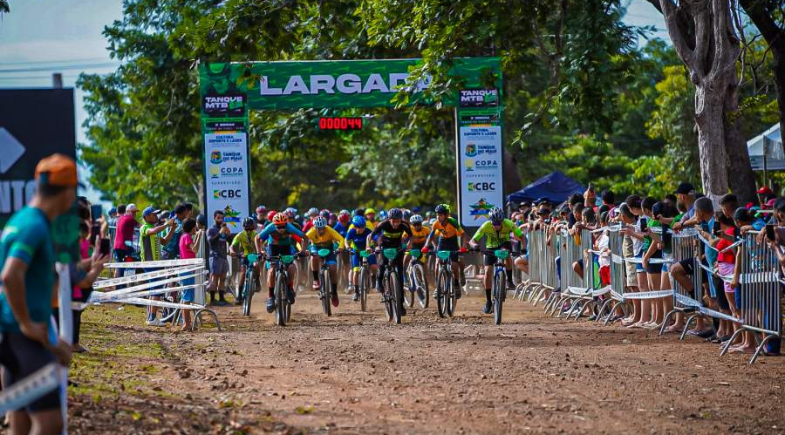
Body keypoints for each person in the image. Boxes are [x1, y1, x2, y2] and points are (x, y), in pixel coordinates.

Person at [0, 154, 77, 435]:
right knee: (50, 424)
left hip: (12, 339)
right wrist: (26, 323)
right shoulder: (35, 226)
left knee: (19, 422)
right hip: (25, 341)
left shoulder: (20, 219)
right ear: (68, 192)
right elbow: (10, 274)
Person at [469, 207, 525, 315]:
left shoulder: (508, 223)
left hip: (504, 244)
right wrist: (475, 245)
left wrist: (523, 248)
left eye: (499, 223)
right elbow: (473, 240)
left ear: (502, 220)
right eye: (494, 224)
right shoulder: (486, 225)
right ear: (491, 221)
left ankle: (509, 280)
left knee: (507, 254)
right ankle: (489, 301)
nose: (497, 226)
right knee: (487, 272)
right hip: (490, 247)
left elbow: (522, 236)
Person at [257, 213, 308, 313]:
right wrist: (259, 252)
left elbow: (305, 238)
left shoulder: (290, 227)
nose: (281, 229)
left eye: (283, 226)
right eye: (278, 227)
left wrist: (303, 251)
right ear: (274, 225)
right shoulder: (270, 227)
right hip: (273, 247)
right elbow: (257, 238)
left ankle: (290, 288)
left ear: (286, 224)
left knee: (291, 267)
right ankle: (271, 296)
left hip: (286, 247)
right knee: (271, 270)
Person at [367, 208, 413, 313]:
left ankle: (400, 304)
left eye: (398, 221)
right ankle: (379, 281)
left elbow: (411, 236)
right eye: (393, 221)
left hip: (398, 247)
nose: (396, 223)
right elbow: (370, 236)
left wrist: (409, 245)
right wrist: (368, 246)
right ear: (389, 219)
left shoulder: (404, 225)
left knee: (400, 276)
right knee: (382, 264)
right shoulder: (383, 224)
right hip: (385, 244)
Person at [139, 206, 176, 326]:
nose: (156, 217)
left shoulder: (153, 229)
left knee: (154, 289)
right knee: (156, 290)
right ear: (146, 217)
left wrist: (172, 229)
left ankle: (151, 317)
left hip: (156, 263)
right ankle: (152, 318)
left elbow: (165, 241)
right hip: (150, 263)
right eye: (154, 215)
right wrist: (166, 225)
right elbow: (153, 231)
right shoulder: (145, 228)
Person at [423, 204, 467, 299]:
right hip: (442, 242)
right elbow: (431, 236)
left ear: (446, 215)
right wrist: (426, 246)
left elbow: (463, 234)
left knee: (454, 266)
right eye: (437, 215)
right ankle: (437, 287)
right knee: (437, 264)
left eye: (441, 215)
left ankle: (456, 284)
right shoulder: (436, 223)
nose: (438, 217)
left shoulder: (453, 221)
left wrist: (464, 246)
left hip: (452, 242)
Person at [306, 216, 345, 307]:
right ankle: (316, 280)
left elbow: (341, 239)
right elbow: (302, 240)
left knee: (333, 268)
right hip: (316, 248)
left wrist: (340, 247)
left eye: (322, 228)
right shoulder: (311, 232)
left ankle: (334, 293)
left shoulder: (330, 230)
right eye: (318, 229)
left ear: (325, 226)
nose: (321, 231)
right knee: (314, 257)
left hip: (329, 249)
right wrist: (304, 250)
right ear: (314, 227)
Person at [345, 216, 378, 302]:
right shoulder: (351, 231)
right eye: (359, 227)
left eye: (363, 226)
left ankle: (373, 277)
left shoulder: (368, 231)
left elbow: (375, 239)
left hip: (368, 251)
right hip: (356, 252)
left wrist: (376, 246)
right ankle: (356, 292)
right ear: (355, 227)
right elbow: (346, 241)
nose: (361, 229)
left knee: (374, 266)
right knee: (355, 271)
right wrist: (348, 247)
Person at [178, 218, 203, 331]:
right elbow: (195, 249)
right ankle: (186, 323)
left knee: (186, 296)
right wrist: (199, 237)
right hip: (187, 270)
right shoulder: (187, 237)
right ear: (193, 227)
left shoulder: (183, 236)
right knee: (187, 297)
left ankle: (187, 322)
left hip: (185, 269)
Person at [229, 217, 260, 305]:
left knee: (256, 265)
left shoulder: (256, 234)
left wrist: (262, 251)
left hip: (253, 255)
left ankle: (257, 281)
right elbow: (232, 245)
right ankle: (239, 296)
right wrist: (232, 251)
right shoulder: (240, 235)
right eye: (247, 229)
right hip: (244, 255)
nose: (249, 231)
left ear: (253, 228)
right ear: (244, 228)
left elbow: (262, 244)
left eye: (250, 229)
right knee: (242, 273)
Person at [402, 214, 431, 303]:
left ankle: (423, 280)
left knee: (423, 265)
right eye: (415, 224)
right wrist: (403, 246)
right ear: (412, 224)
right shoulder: (409, 230)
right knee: (406, 258)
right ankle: (404, 276)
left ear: (421, 223)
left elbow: (431, 239)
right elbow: (402, 239)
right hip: (412, 247)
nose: (417, 226)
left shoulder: (426, 230)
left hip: (422, 248)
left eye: (418, 224)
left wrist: (430, 247)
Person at [206, 210, 232, 306]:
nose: (220, 220)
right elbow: (210, 242)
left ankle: (221, 298)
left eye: (222, 218)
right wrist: (219, 233)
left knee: (223, 278)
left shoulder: (224, 229)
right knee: (215, 278)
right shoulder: (211, 229)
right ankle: (213, 299)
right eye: (218, 218)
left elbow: (230, 241)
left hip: (223, 256)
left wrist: (228, 234)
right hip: (215, 256)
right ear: (214, 218)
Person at [112, 203, 140, 277]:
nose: (135, 214)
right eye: (133, 212)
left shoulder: (121, 218)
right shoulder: (130, 219)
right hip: (125, 246)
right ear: (127, 211)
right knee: (132, 262)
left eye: (135, 212)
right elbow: (142, 227)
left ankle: (120, 286)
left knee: (120, 266)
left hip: (117, 246)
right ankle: (129, 283)